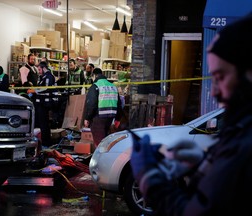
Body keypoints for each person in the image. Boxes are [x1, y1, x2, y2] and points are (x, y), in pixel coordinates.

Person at [130, 13, 252, 216]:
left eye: (220, 76)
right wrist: (202, 166)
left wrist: (150, 179)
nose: (213, 91)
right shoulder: (240, 129)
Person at [84, 68, 122, 147]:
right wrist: (118, 118)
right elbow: (119, 104)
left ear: (94, 75)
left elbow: (91, 104)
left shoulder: (95, 86)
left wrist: (87, 117)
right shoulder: (113, 86)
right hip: (111, 117)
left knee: (99, 143)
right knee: (106, 139)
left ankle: (101, 157)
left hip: (99, 117)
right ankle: (106, 155)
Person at [33, 61, 56, 147]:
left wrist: (35, 90)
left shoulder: (48, 77)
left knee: (44, 124)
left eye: (39, 69)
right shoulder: (43, 77)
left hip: (44, 104)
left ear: (44, 68)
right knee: (42, 123)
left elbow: (46, 88)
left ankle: (46, 143)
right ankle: (44, 141)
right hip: (40, 103)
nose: (39, 71)